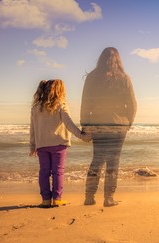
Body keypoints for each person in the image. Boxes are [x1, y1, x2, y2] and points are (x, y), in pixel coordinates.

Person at [81, 47, 137, 207]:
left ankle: (89, 197)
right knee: (113, 162)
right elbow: (132, 105)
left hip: (98, 125)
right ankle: (109, 198)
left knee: (97, 160)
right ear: (118, 60)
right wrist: (128, 122)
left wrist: (85, 125)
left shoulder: (92, 77)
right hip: (118, 126)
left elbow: (86, 103)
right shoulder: (124, 78)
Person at [30, 79, 91, 208]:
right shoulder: (61, 104)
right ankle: (57, 199)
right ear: (59, 90)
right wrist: (82, 136)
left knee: (44, 172)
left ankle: (46, 200)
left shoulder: (36, 107)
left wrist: (33, 145)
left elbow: (33, 128)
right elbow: (69, 124)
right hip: (58, 143)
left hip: (41, 145)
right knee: (58, 172)